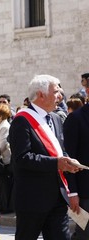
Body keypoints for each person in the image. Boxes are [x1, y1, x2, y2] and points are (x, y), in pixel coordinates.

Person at [8, 75, 81, 240]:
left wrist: (69, 161)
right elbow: (22, 158)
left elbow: (59, 151)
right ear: (41, 94)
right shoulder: (21, 121)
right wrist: (57, 163)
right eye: (55, 91)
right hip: (32, 199)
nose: (60, 96)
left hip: (58, 198)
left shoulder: (55, 118)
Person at [63, 77, 89, 240]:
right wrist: (72, 192)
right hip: (86, 192)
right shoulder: (76, 118)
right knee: (84, 235)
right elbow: (70, 157)